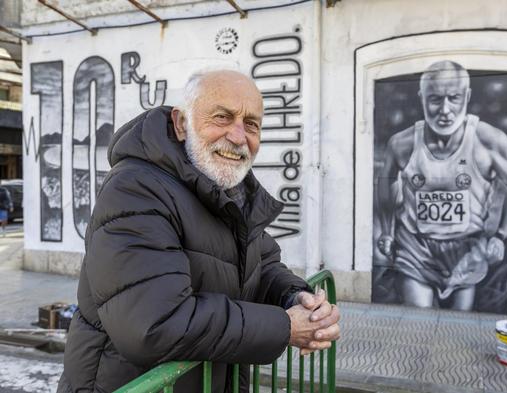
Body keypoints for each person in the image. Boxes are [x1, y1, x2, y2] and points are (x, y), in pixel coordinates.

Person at [57, 70, 340, 393]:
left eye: (251, 124)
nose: (237, 136)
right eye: (222, 117)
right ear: (181, 124)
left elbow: (260, 264)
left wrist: (296, 297)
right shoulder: (136, 188)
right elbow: (154, 324)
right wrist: (284, 327)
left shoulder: (227, 189)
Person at [377, 60, 507, 311]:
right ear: (421, 98)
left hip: (467, 251)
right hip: (416, 249)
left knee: (457, 325)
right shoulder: (401, 144)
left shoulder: (490, 141)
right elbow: (385, 183)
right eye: (436, 99)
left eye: (454, 98)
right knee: (418, 321)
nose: (445, 109)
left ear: (468, 96)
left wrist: (500, 235)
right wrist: (387, 230)